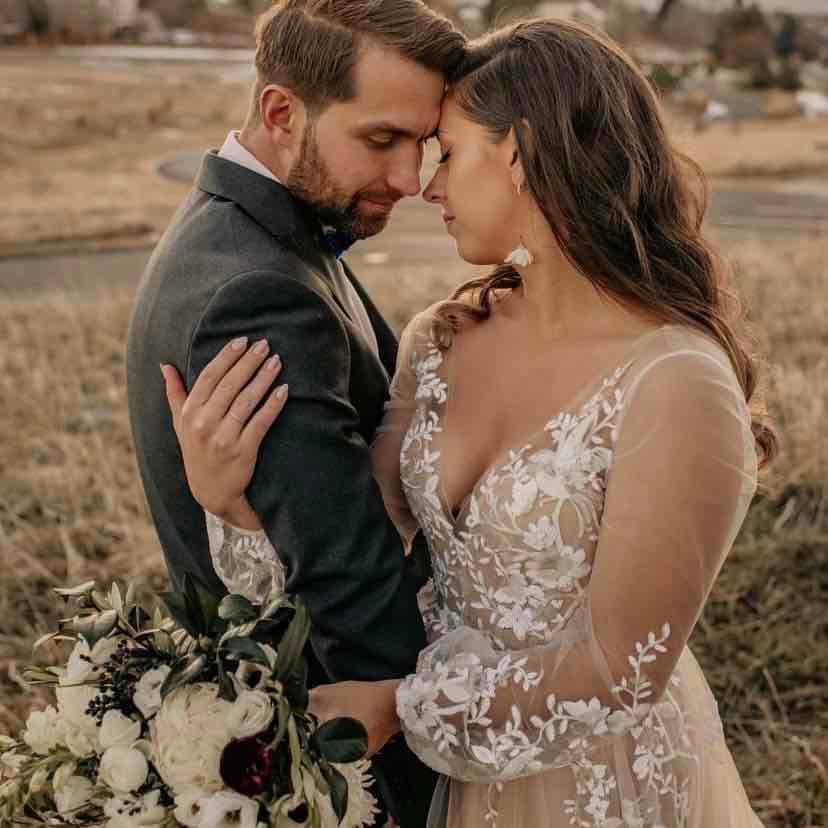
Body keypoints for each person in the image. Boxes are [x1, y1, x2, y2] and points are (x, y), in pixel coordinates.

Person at [162, 18, 774, 828]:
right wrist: (231, 505)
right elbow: (362, 537)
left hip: (603, 785)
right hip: (450, 788)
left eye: (447, 151)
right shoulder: (443, 338)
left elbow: (621, 672)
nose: (426, 183)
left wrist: (403, 709)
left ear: (520, 155)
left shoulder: (677, 381)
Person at [126, 2, 466, 824]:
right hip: (344, 753)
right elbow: (348, 584)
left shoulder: (252, 232)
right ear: (283, 113)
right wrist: (430, 783)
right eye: (381, 139)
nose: (407, 179)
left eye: (421, 143)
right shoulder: (259, 293)